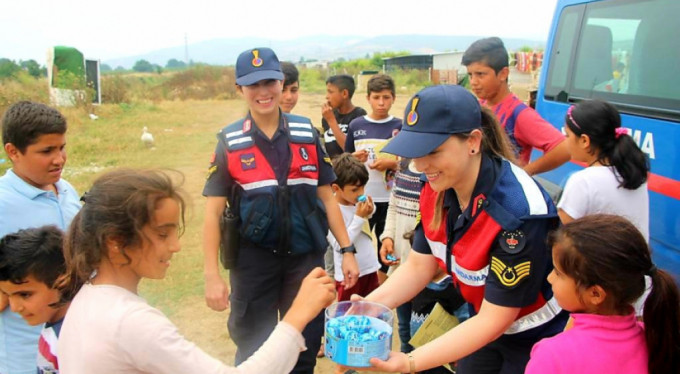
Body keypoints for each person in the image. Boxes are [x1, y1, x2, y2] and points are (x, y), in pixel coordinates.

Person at [358, 85, 568, 374]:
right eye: (413, 152)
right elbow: (421, 265)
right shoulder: (437, 184)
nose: (419, 165)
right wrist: (367, 307)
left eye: (432, 151)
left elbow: (496, 319)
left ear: (472, 141)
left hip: (534, 338)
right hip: (481, 321)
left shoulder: (517, 215)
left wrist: (409, 362)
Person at [57, 168, 337, 373]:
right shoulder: (131, 322)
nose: (176, 246)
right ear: (116, 241)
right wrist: (298, 314)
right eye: (162, 235)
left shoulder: (89, 297)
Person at [202, 47, 358, 374]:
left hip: (305, 259)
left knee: (304, 345)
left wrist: (347, 250)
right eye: (253, 85)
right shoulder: (229, 142)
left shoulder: (306, 133)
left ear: (281, 81)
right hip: (252, 261)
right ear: (239, 89)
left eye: (270, 82)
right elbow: (213, 213)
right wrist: (211, 275)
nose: (263, 92)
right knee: (254, 348)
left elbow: (328, 197)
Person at [525, 214, 680, 374]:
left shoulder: (552, 355)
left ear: (595, 294)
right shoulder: (655, 340)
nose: (550, 278)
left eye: (558, 273)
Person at [0, 101, 81, 374]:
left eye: (61, 147)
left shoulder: (66, 190)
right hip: (25, 358)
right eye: (46, 151)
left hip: (74, 350)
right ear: (13, 151)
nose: (59, 159)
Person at [462, 37, 570, 175]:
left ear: (503, 74)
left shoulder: (519, 114)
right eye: (470, 75)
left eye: (480, 74)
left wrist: (523, 174)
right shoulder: (479, 106)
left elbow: (564, 148)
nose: (473, 82)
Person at [557, 100, 649, 239]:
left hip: (596, 261)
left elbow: (563, 237)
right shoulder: (633, 172)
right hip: (635, 258)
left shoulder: (582, 181)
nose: (565, 141)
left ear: (584, 141)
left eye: (568, 135)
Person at [345, 73, 402, 282]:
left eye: (386, 97)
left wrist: (391, 164)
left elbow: (409, 163)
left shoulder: (400, 126)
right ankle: (365, 284)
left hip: (391, 200)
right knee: (362, 243)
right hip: (363, 200)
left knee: (386, 243)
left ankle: (382, 287)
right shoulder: (356, 126)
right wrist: (354, 158)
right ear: (368, 98)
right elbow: (345, 161)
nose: (381, 102)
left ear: (393, 98)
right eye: (376, 97)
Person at [0, 226, 76, 374]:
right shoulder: (53, 323)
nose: (15, 307)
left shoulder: (72, 339)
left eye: (25, 295)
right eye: (7, 294)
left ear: (62, 281)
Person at [378, 157, 422, 352]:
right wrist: (387, 237)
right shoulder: (403, 168)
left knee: (424, 327)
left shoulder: (435, 174)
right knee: (404, 327)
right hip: (401, 266)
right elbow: (393, 206)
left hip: (428, 269)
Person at [327, 153, 381, 301]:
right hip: (348, 275)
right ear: (336, 188)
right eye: (355, 190)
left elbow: (369, 214)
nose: (361, 193)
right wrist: (358, 218)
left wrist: (370, 210)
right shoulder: (331, 210)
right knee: (347, 314)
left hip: (369, 268)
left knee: (372, 309)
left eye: (363, 187)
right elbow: (339, 245)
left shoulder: (355, 201)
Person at [321, 75, 367, 158]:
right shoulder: (328, 116)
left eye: (330, 92)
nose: (327, 97)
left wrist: (331, 121)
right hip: (331, 169)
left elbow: (349, 150)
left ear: (344, 94)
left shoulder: (359, 115)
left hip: (349, 168)